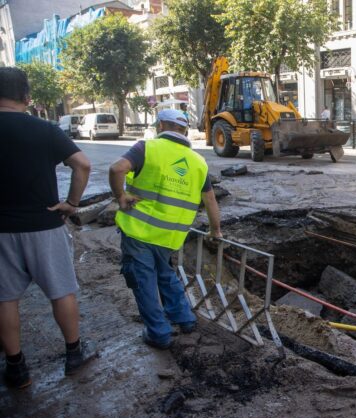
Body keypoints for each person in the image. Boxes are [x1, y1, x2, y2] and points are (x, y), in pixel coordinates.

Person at [0, 67, 97, 389]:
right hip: (43, 224)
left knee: (5, 299)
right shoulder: (44, 129)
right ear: (27, 97)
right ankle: (73, 354)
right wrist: (72, 202)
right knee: (61, 290)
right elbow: (82, 164)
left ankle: (16, 368)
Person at [109, 109, 222, 350]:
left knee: (143, 281)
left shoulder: (147, 148)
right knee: (165, 274)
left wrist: (121, 196)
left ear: (160, 126)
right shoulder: (198, 162)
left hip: (138, 231)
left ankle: (159, 333)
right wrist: (216, 232)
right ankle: (184, 318)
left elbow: (117, 168)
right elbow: (211, 200)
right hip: (170, 236)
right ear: (185, 131)